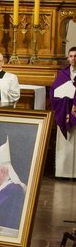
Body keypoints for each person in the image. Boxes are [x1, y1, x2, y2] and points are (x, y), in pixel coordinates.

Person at [50, 46, 76, 178]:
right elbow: (53, 92)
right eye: (71, 56)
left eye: (75, 56)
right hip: (64, 111)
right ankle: (63, 173)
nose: (73, 59)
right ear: (68, 58)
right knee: (65, 143)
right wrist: (65, 98)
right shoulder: (63, 74)